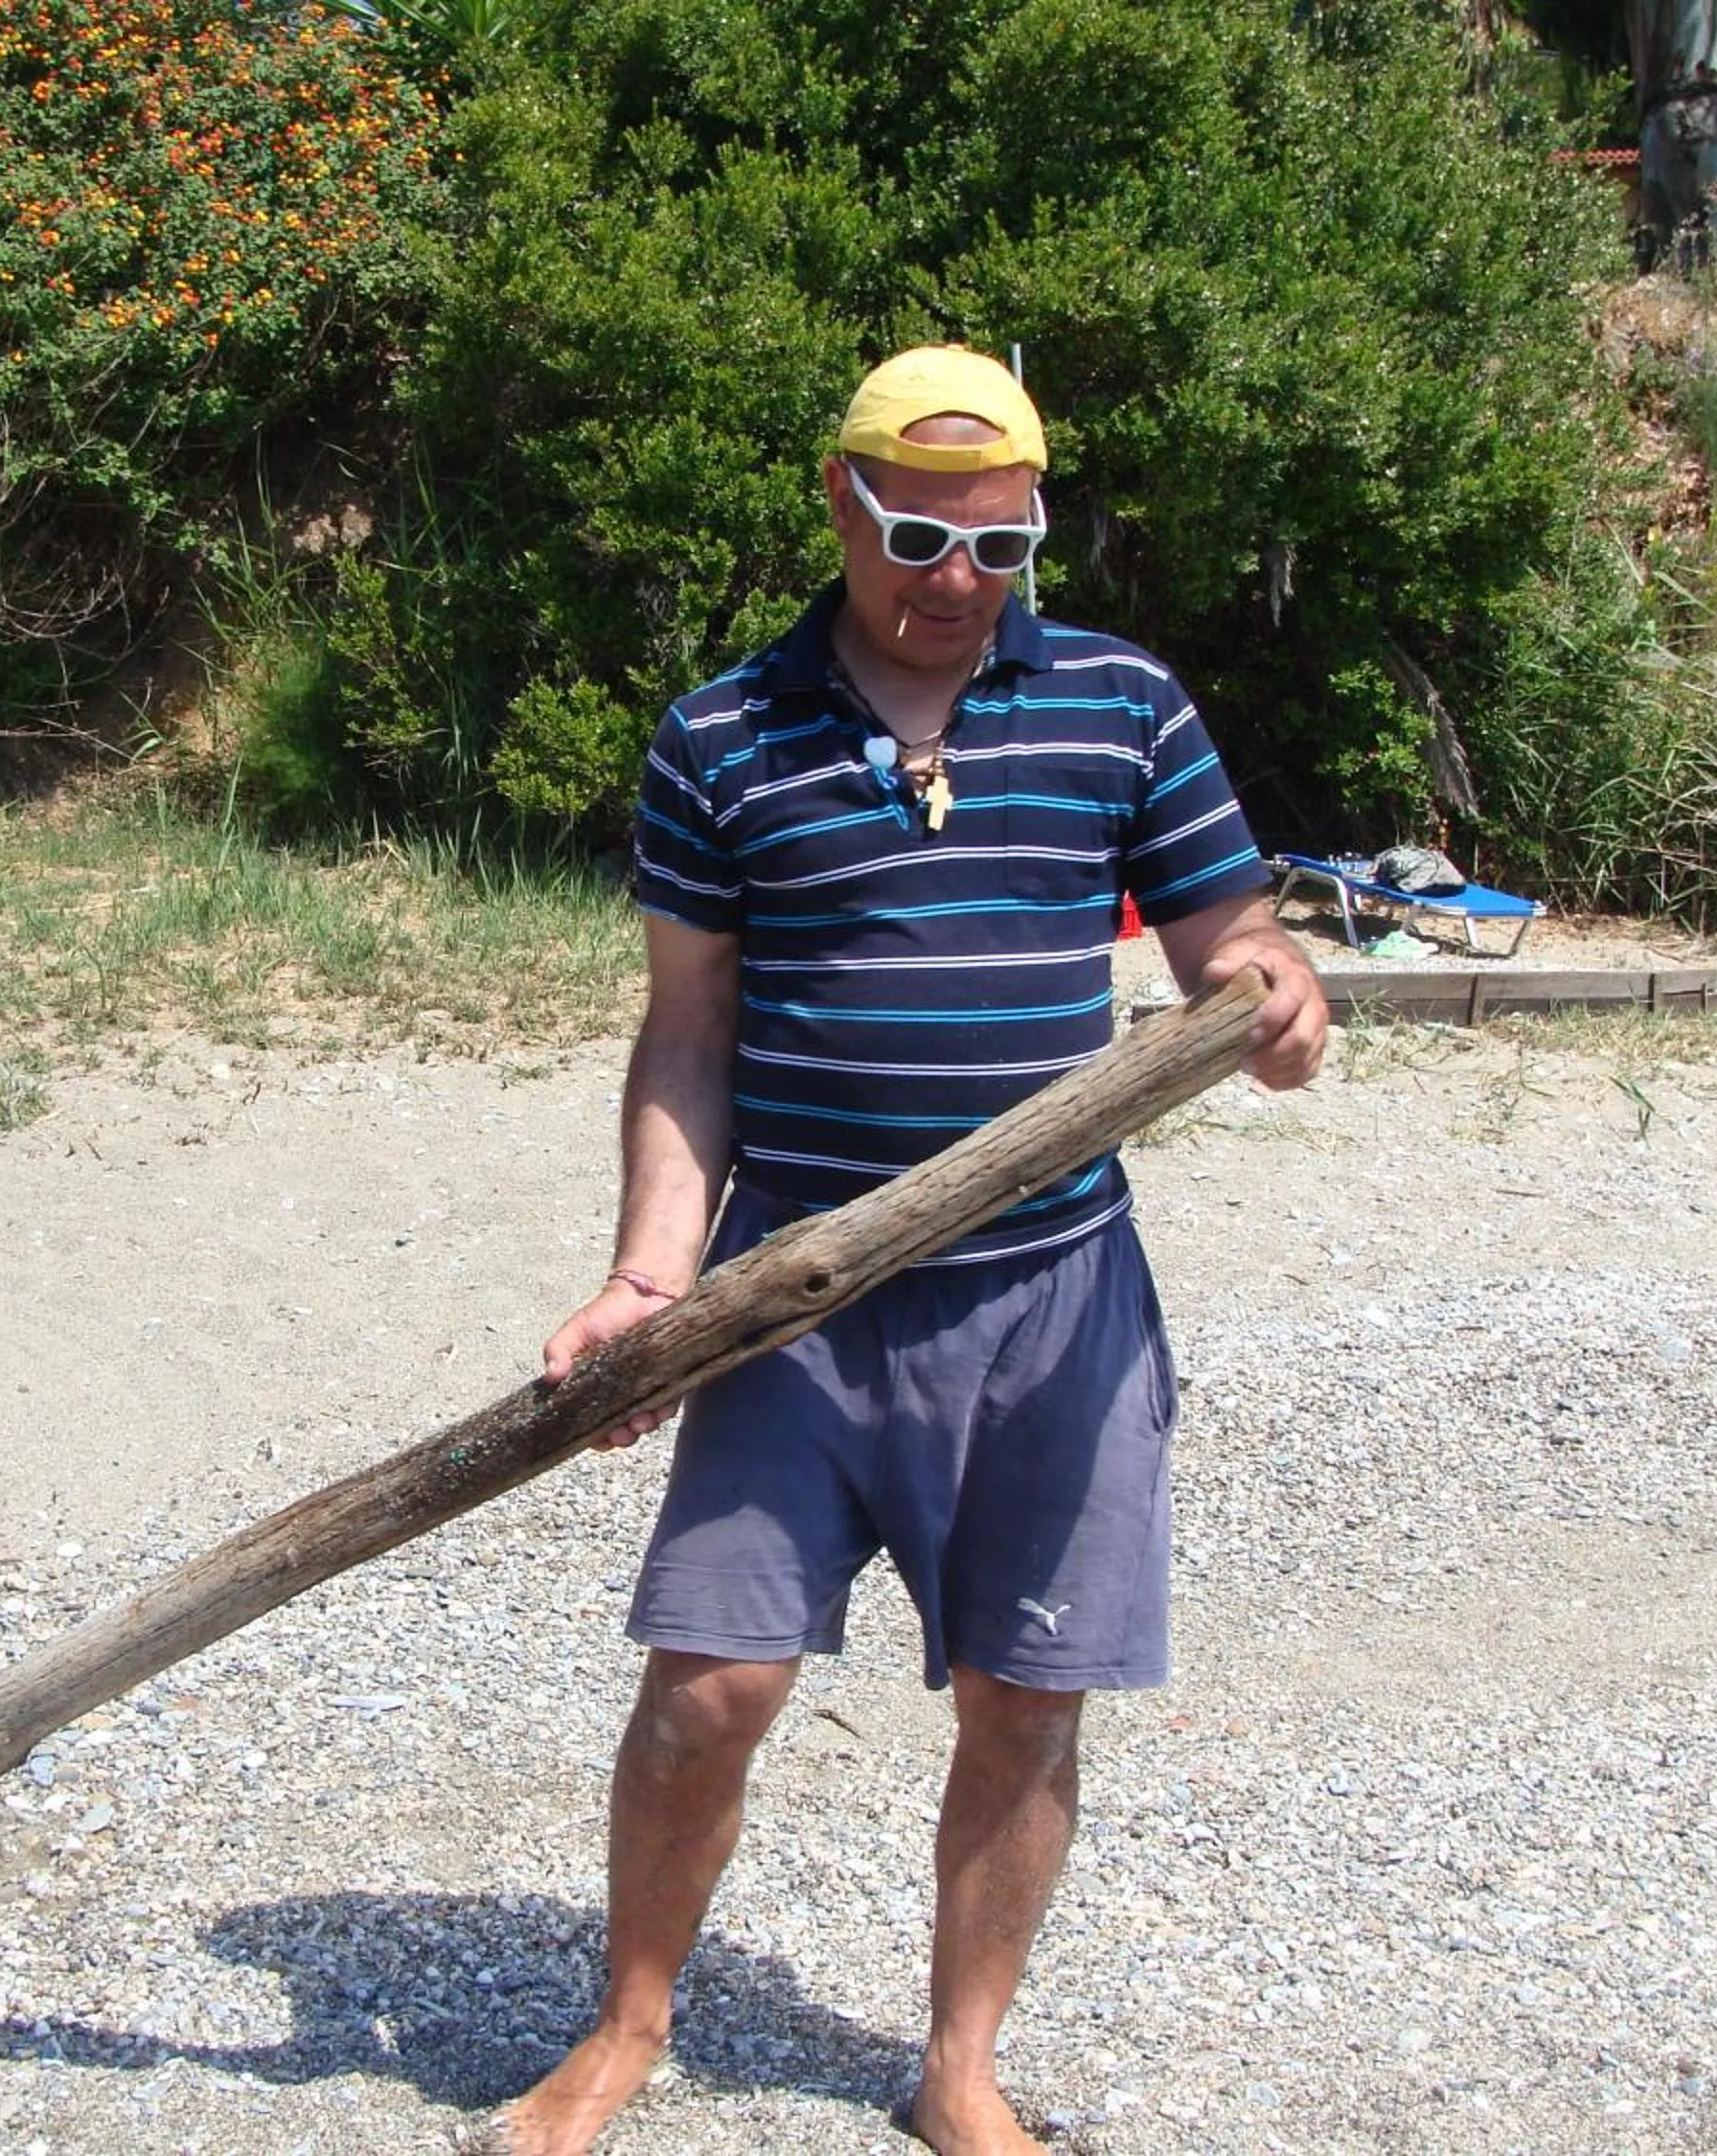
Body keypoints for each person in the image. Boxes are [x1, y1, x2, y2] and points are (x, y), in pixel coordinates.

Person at [494, 346, 1327, 2156]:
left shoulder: (1123, 705)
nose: (958, 582)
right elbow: (689, 1038)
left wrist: (1274, 1000)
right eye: (918, 537)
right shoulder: (722, 737)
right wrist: (652, 1283)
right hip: (793, 1298)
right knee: (710, 1688)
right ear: (837, 502)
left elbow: (1231, 942)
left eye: (1001, 549)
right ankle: (627, 2026)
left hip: (1057, 1302)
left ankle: (959, 2068)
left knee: (1029, 1701)